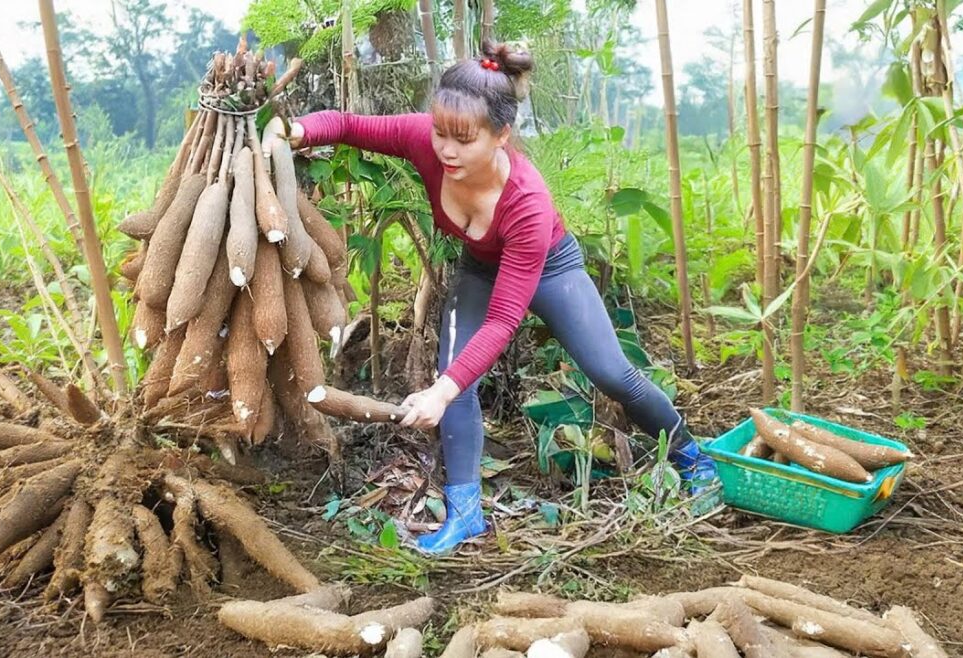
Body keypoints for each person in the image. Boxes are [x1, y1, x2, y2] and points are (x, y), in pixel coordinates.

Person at [263, 39, 717, 554]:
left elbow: (504, 321)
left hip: (549, 267)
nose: (446, 150)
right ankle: (465, 513)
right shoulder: (427, 140)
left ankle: (693, 459)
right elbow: (347, 125)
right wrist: (294, 131)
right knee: (455, 374)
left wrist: (439, 393)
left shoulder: (526, 202)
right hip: (482, 267)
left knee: (610, 372)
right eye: (439, 134)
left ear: (502, 135)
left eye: (463, 139)